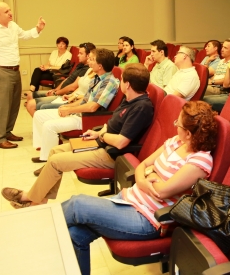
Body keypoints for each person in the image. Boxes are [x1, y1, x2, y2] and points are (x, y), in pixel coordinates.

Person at [61, 101, 218, 275]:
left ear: (188, 133)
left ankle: (40, 233)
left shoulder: (200, 161)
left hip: (147, 219)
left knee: (77, 205)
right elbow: (143, 165)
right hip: (129, 198)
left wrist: (149, 175)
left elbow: (162, 192)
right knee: (75, 234)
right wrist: (148, 177)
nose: (175, 126)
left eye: (178, 124)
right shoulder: (176, 142)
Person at [1, 63, 155, 210]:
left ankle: (31, 199)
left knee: (55, 162)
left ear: (127, 85)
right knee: (54, 151)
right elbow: (112, 123)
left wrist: (102, 135)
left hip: (111, 153)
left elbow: (121, 142)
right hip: (102, 141)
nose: (120, 82)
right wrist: (98, 133)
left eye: (122, 80)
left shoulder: (141, 107)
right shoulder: (129, 99)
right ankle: (39, 200)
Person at [0, 1, 46, 149]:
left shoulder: (13, 25)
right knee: (3, 105)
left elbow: (25, 35)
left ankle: (7, 131)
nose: (10, 13)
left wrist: (38, 29)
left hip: (14, 70)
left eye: (9, 10)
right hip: (0, 71)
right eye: (6, 11)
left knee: (14, 104)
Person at [31, 48, 119, 161]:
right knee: (39, 115)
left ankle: (48, 160)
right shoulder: (97, 78)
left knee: (49, 126)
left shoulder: (109, 82)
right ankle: (44, 151)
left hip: (87, 118)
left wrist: (70, 110)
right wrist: (68, 106)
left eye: (92, 59)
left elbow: (92, 107)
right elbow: (84, 100)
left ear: (100, 66)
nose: (89, 62)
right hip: (79, 113)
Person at [25, 42, 95, 116]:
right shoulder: (82, 65)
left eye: (81, 53)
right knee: (31, 95)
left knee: (35, 105)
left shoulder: (87, 69)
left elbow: (74, 87)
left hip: (67, 95)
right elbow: (68, 78)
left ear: (88, 56)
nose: (78, 55)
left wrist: (56, 93)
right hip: (66, 94)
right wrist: (55, 90)